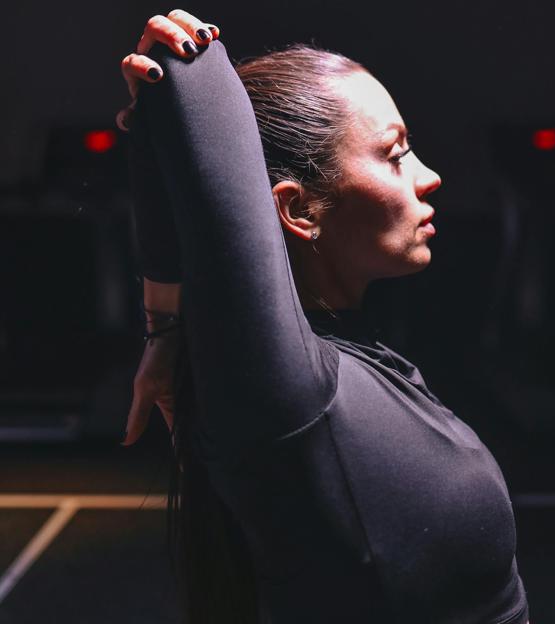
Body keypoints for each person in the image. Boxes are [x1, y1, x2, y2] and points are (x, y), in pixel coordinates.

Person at [118, 9, 530, 624]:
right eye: (396, 154)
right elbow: (203, 100)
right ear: (297, 210)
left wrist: (166, 330)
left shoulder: (341, 372)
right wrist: (182, 65)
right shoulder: (289, 398)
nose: (431, 177)